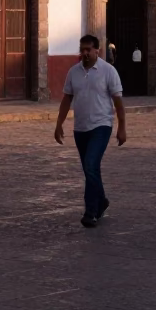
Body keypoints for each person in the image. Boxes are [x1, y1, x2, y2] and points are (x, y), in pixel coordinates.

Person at [55, 34, 127, 227]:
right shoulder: (73, 72)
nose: (85, 53)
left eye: (88, 50)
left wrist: (122, 127)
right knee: (90, 168)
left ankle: (91, 211)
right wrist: (59, 123)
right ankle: (101, 200)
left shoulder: (108, 71)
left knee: (90, 164)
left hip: (101, 126)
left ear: (97, 51)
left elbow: (118, 102)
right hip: (80, 128)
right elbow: (66, 99)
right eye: (82, 49)